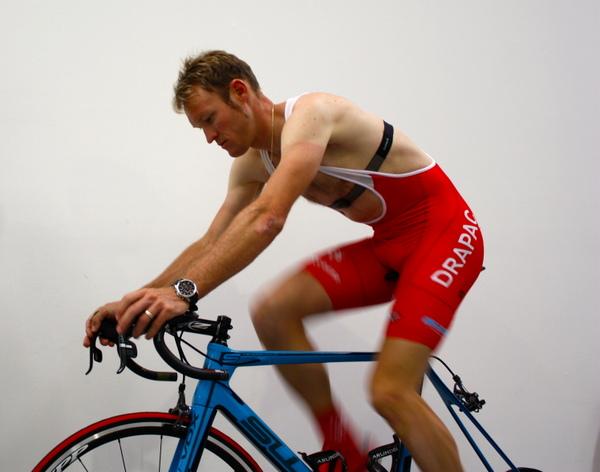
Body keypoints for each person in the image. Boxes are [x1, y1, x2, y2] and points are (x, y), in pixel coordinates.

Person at [84, 50, 484, 472]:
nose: (209, 138)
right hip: (390, 244)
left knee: (390, 390)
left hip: (446, 236)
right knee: (273, 311)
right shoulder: (251, 163)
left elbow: (268, 218)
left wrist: (184, 292)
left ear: (240, 92)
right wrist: (137, 299)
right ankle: (344, 450)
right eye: (200, 128)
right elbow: (211, 243)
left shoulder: (312, 115)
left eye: (210, 119)